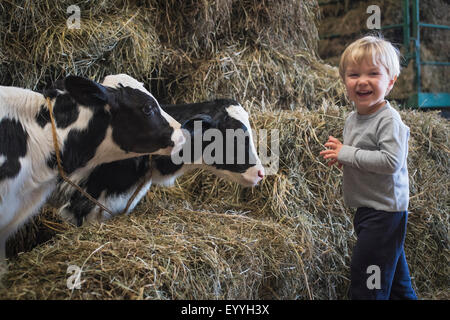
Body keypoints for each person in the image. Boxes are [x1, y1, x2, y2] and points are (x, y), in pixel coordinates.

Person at [320, 35, 417, 300]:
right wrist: (343, 157)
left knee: (368, 279)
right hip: (366, 210)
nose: (362, 81)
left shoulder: (389, 120)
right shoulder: (353, 119)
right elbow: (363, 159)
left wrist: (348, 153)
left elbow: (390, 162)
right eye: (353, 75)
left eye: (373, 73)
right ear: (344, 82)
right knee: (397, 284)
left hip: (385, 214)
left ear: (391, 81)